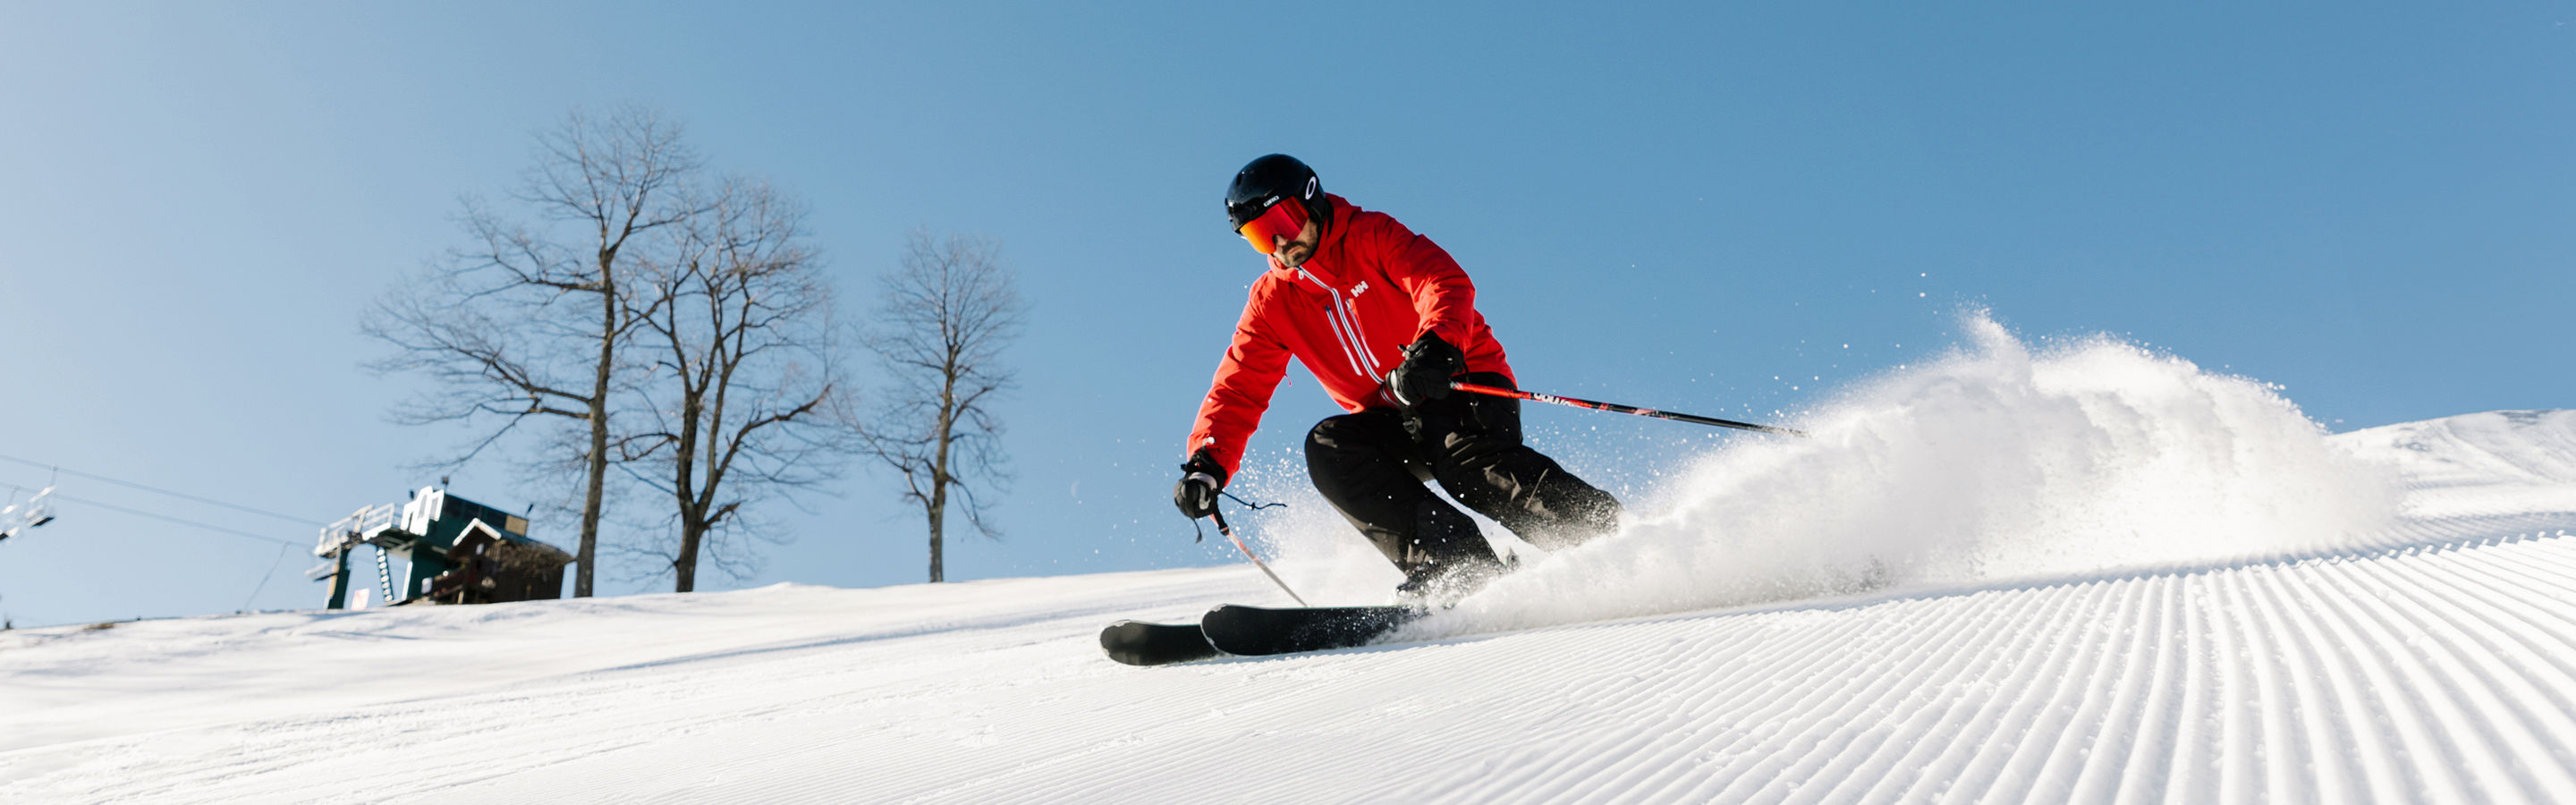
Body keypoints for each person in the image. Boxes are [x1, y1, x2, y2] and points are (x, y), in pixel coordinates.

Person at [1174, 154, 1623, 601]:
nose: (1278, 244)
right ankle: (1457, 567)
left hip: (1458, 381)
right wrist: (1207, 465)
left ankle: (1610, 540)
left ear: (1311, 201)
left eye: (1283, 222)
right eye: (1257, 237)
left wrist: (1436, 347)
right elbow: (1239, 386)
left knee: (1461, 461)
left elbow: (1442, 282)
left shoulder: (1371, 235)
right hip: (1393, 417)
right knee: (1330, 448)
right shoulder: (1273, 302)